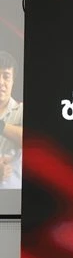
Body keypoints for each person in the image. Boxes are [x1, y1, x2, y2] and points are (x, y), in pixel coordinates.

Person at [0, 51, 22, 189]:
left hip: (15, 195)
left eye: (6, 76)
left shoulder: (22, 110)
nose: (0, 82)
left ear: (13, 81)